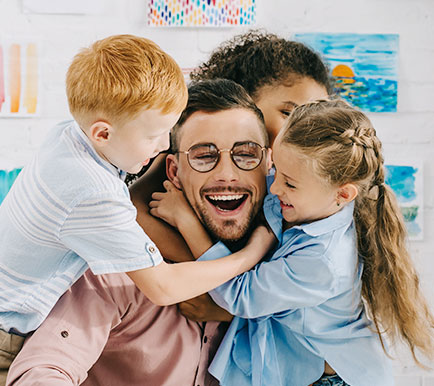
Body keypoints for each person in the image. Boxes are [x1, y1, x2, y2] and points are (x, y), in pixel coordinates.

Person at [0, 35, 272, 384]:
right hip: (8, 333)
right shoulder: (95, 196)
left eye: (246, 154)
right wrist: (249, 257)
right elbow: (162, 287)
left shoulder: (73, 137)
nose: (161, 148)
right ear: (102, 133)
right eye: (202, 156)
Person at [150, 99, 434, 386]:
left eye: (289, 183)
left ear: (343, 194)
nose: (274, 188)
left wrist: (188, 222)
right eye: (277, 172)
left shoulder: (323, 262)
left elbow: (239, 296)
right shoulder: (310, 199)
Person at [129, 29, 331, 319]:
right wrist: (225, 283)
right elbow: (133, 213)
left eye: (318, 116)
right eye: (290, 113)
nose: (309, 129)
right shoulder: (183, 154)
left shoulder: (309, 187)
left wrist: (228, 304)